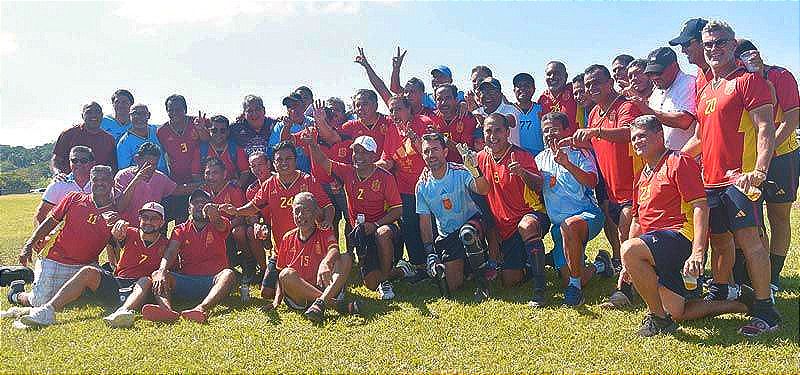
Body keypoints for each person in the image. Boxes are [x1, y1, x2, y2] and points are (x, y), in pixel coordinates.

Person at [681, 20, 780, 336]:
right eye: (708, 44)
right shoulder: (706, 86)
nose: (713, 49)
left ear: (734, 45)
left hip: (741, 180)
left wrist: (760, 170)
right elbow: (701, 135)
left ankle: (766, 310)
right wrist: (677, 162)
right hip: (709, 181)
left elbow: (765, 127)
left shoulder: (749, 82)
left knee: (750, 242)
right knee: (720, 241)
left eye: (720, 42)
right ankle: (725, 291)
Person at [623, 115, 750, 337]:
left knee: (630, 250)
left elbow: (701, 206)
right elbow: (636, 219)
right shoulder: (641, 176)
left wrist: (698, 252)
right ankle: (739, 304)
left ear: (659, 136)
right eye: (634, 138)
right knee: (678, 311)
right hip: (653, 245)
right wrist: (627, 264)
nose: (637, 142)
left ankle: (658, 319)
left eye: (643, 136)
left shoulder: (678, 161)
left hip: (679, 237)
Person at [18, 202, 169, 328]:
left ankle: (123, 312)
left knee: (145, 280)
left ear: (162, 222)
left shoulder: (166, 244)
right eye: (145, 217)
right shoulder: (129, 232)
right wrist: (117, 230)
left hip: (141, 289)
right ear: (139, 219)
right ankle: (48, 310)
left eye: (154, 218)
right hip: (117, 284)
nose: (148, 221)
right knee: (88, 271)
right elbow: (116, 234)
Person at [572, 64, 645, 308]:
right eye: (588, 83)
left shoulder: (625, 106)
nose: (592, 87)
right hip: (611, 189)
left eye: (597, 82)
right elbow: (595, 145)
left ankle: (625, 291)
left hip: (635, 185)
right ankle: (635, 280)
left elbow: (629, 133)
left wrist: (597, 131)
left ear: (610, 82)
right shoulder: (593, 113)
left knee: (628, 233)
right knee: (623, 235)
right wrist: (571, 144)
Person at [220, 142, 334, 297]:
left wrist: (327, 220)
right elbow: (254, 206)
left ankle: (316, 295)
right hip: (280, 250)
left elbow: (328, 206)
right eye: (279, 160)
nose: (284, 163)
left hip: (307, 248)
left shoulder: (307, 180)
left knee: (307, 281)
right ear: (274, 163)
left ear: (295, 160)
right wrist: (237, 211)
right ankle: (294, 287)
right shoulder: (269, 184)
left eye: (288, 159)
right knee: (266, 293)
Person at [306, 135, 406, 300]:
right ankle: (401, 270)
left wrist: (374, 224)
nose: (358, 156)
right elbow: (323, 161)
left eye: (364, 153)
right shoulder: (348, 172)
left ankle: (386, 280)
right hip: (361, 232)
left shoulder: (385, 177)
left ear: (374, 156)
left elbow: (398, 210)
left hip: (383, 228)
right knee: (371, 283)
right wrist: (312, 144)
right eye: (355, 152)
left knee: (382, 234)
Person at [736, 40, 799, 292]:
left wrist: (768, 151)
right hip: (750, 160)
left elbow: (793, 117)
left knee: (779, 216)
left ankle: (774, 275)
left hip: (782, 156)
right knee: (752, 219)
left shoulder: (780, 75)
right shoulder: (737, 80)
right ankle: (755, 272)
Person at [8, 166, 117, 308]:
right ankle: (16, 293)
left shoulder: (116, 212)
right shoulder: (74, 198)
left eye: (104, 179)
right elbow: (50, 222)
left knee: (88, 300)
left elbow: (116, 245)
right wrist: (29, 245)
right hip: (55, 259)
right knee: (39, 302)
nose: (100, 183)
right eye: (95, 180)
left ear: (113, 182)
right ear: (91, 182)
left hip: (86, 266)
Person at [536, 112, 613, 306]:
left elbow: (592, 181)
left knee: (569, 228)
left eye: (554, 129)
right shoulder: (539, 159)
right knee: (569, 276)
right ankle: (601, 264)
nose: (549, 134)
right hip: (559, 227)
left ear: (566, 131)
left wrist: (567, 164)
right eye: (545, 131)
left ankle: (575, 291)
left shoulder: (579, 153)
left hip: (587, 216)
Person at [477, 113, 549, 306]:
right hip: (504, 228)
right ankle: (533, 262)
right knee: (509, 281)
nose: (493, 135)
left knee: (527, 226)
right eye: (488, 131)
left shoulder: (521, 155)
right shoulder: (481, 157)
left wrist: (522, 172)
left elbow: (539, 185)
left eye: (498, 130)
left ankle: (540, 288)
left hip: (529, 216)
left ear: (507, 132)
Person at [415, 133, 492, 300]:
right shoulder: (421, 185)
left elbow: (484, 190)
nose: (431, 155)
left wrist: (475, 170)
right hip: (448, 236)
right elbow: (425, 222)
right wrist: (430, 252)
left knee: (467, 234)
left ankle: (482, 285)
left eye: (435, 150)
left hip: (472, 226)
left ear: (445, 152)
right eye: (426, 151)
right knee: (452, 287)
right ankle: (471, 268)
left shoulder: (460, 171)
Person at [141, 190, 237, 323]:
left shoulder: (219, 222)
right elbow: (171, 251)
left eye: (204, 202)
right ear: (188, 209)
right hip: (187, 281)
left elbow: (221, 225)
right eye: (195, 202)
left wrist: (215, 215)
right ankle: (167, 311)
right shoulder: (180, 229)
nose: (199, 205)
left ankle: (200, 309)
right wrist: (162, 270)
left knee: (228, 274)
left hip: (213, 281)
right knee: (158, 273)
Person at [263, 192, 359, 322]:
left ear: (316, 213)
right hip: (299, 296)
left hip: (324, 287)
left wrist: (325, 262)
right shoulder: (287, 238)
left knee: (345, 257)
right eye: (297, 211)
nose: (301, 215)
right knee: (286, 274)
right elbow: (281, 276)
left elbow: (334, 250)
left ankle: (321, 304)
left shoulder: (324, 231)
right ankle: (333, 304)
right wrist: (276, 301)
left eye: (306, 210)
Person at [377, 96, 435, 281]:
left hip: (428, 187)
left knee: (432, 226)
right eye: (392, 110)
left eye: (399, 109)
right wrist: (369, 167)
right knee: (410, 227)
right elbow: (388, 159)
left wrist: (415, 139)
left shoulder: (424, 123)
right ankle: (420, 267)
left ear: (409, 109)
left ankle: (438, 263)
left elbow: (433, 154)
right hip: (405, 188)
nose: (395, 114)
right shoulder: (392, 130)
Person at [115, 142, 198, 225]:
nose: (151, 168)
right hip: (126, 228)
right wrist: (136, 180)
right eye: (147, 164)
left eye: (154, 165)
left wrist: (203, 185)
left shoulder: (160, 177)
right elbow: (119, 207)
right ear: (137, 159)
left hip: (150, 228)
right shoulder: (122, 176)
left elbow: (179, 190)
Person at [633, 47, 697, 151]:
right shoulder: (656, 92)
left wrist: (648, 111)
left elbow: (684, 121)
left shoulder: (689, 83)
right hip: (664, 160)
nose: (654, 77)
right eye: (650, 73)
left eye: (658, 72)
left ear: (674, 66)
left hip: (688, 158)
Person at [157, 94, 207, 225]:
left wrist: (201, 129)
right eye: (170, 110)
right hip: (178, 182)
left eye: (178, 109)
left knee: (203, 217)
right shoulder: (161, 131)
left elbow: (209, 140)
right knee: (180, 218)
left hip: (199, 178)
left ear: (185, 109)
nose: (174, 113)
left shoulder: (196, 122)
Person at [34, 146, 94, 225]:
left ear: (92, 163)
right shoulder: (58, 185)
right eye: (74, 160)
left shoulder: (99, 184)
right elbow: (40, 214)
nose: (78, 164)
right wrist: (46, 235)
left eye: (84, 161)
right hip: (64, 236)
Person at [52, 102, 116, 174]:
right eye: (89, 112)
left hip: (98, 183)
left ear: (102, 116)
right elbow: (56, 160)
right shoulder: (68, 134)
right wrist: (57, 174)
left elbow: (112, 166)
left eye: (97, 112)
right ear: (82, 116)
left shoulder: (109, 139)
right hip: (70, 182)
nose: (94, 115)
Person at [194, 115, 250, 189]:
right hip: (208, 192)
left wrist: (239, 184)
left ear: (228, 132)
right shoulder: (201, 150)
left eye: (222, 131)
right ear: (209, 131)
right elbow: (195, 174)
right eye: (214, 130)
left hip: (230, 192)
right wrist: (203, 187)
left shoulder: (235, 149)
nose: (218, 134)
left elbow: (245, 172)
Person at [429, 84, 479, 162]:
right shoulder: (431, 118)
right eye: (439, 99)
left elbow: (466, 152)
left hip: (462, 169)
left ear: (456, 100)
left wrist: (441, 137)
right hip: (439, 169)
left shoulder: (467, 118)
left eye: (447, 98)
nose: (443, 103)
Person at [268, 92, 314, 173]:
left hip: (313, 175)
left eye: (296, 105)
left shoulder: (313, 122)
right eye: (289, 107)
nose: (292, 109)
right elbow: (272, 151)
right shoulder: (280, 126)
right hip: (290, 175)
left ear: (303, 106)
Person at [116, 104, 169, 173]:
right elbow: (124, 172)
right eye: (135, 114)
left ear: (149, 115)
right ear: (129, 116)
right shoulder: (123, 143)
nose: (139, 117)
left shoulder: (157, 131)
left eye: (143, 114)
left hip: (164, 178)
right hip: (143, 181)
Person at [339, 89, 394, 155]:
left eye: (365, 104)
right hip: (361, 164)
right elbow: (331, 138)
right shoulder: (349, 127)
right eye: (358, 105)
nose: (360, 108)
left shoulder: (389, 122)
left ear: (375, 105)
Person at [669, 18, 711, 95]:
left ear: (703, 41)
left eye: (686, 44)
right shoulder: (700, 73)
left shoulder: (729, 70)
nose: (683, 51)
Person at [473, 77, 519, 144]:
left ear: (500, 94)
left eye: (491, 91)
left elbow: (505, 121)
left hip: (512, 153)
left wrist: (483, 120)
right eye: (483, 91)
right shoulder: (476, 112)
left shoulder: (511, 110)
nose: (487, 95)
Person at [539, 61, 578, 136]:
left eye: (557, 73)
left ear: (566, 76)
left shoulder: (574, 90)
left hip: (576, 145)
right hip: (553, 145)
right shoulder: (542, 99)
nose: (552, 77)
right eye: (549, 74)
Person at [512, 73, 545, 155]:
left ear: (533, 89)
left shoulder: (541, 109)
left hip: (538, 155)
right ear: (514, 90)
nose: (523, 88)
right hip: (516, 155)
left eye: (527, 86)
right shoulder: (509, 110)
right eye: (519, 86)